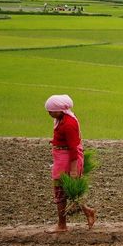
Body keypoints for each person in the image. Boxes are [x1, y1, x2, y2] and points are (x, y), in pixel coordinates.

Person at [45, 94, 96, 233]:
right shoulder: (61, 120)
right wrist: (56, 142)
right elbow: (66, 141)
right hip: (61, 159)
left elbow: (73, 148)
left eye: (51, 111)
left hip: (67, 161)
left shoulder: (68, 123)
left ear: (60, 110)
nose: (49, 113)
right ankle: (87, 212)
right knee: (67, 192)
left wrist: (73, 171)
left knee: (62, 191)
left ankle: (62, 225)